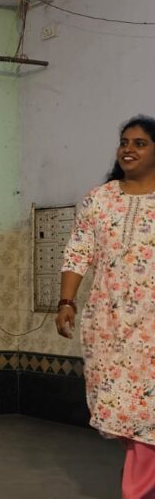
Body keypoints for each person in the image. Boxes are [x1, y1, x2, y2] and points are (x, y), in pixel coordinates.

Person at [56, 115, 155, 499]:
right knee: (120, 408)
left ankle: (136, 490)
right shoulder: (100, 199)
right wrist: (67, 301)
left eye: (140, 143)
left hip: (151, 326)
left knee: (148, 414)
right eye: (124, 142)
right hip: (108, 324)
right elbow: (78, 251)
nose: (128, 149)